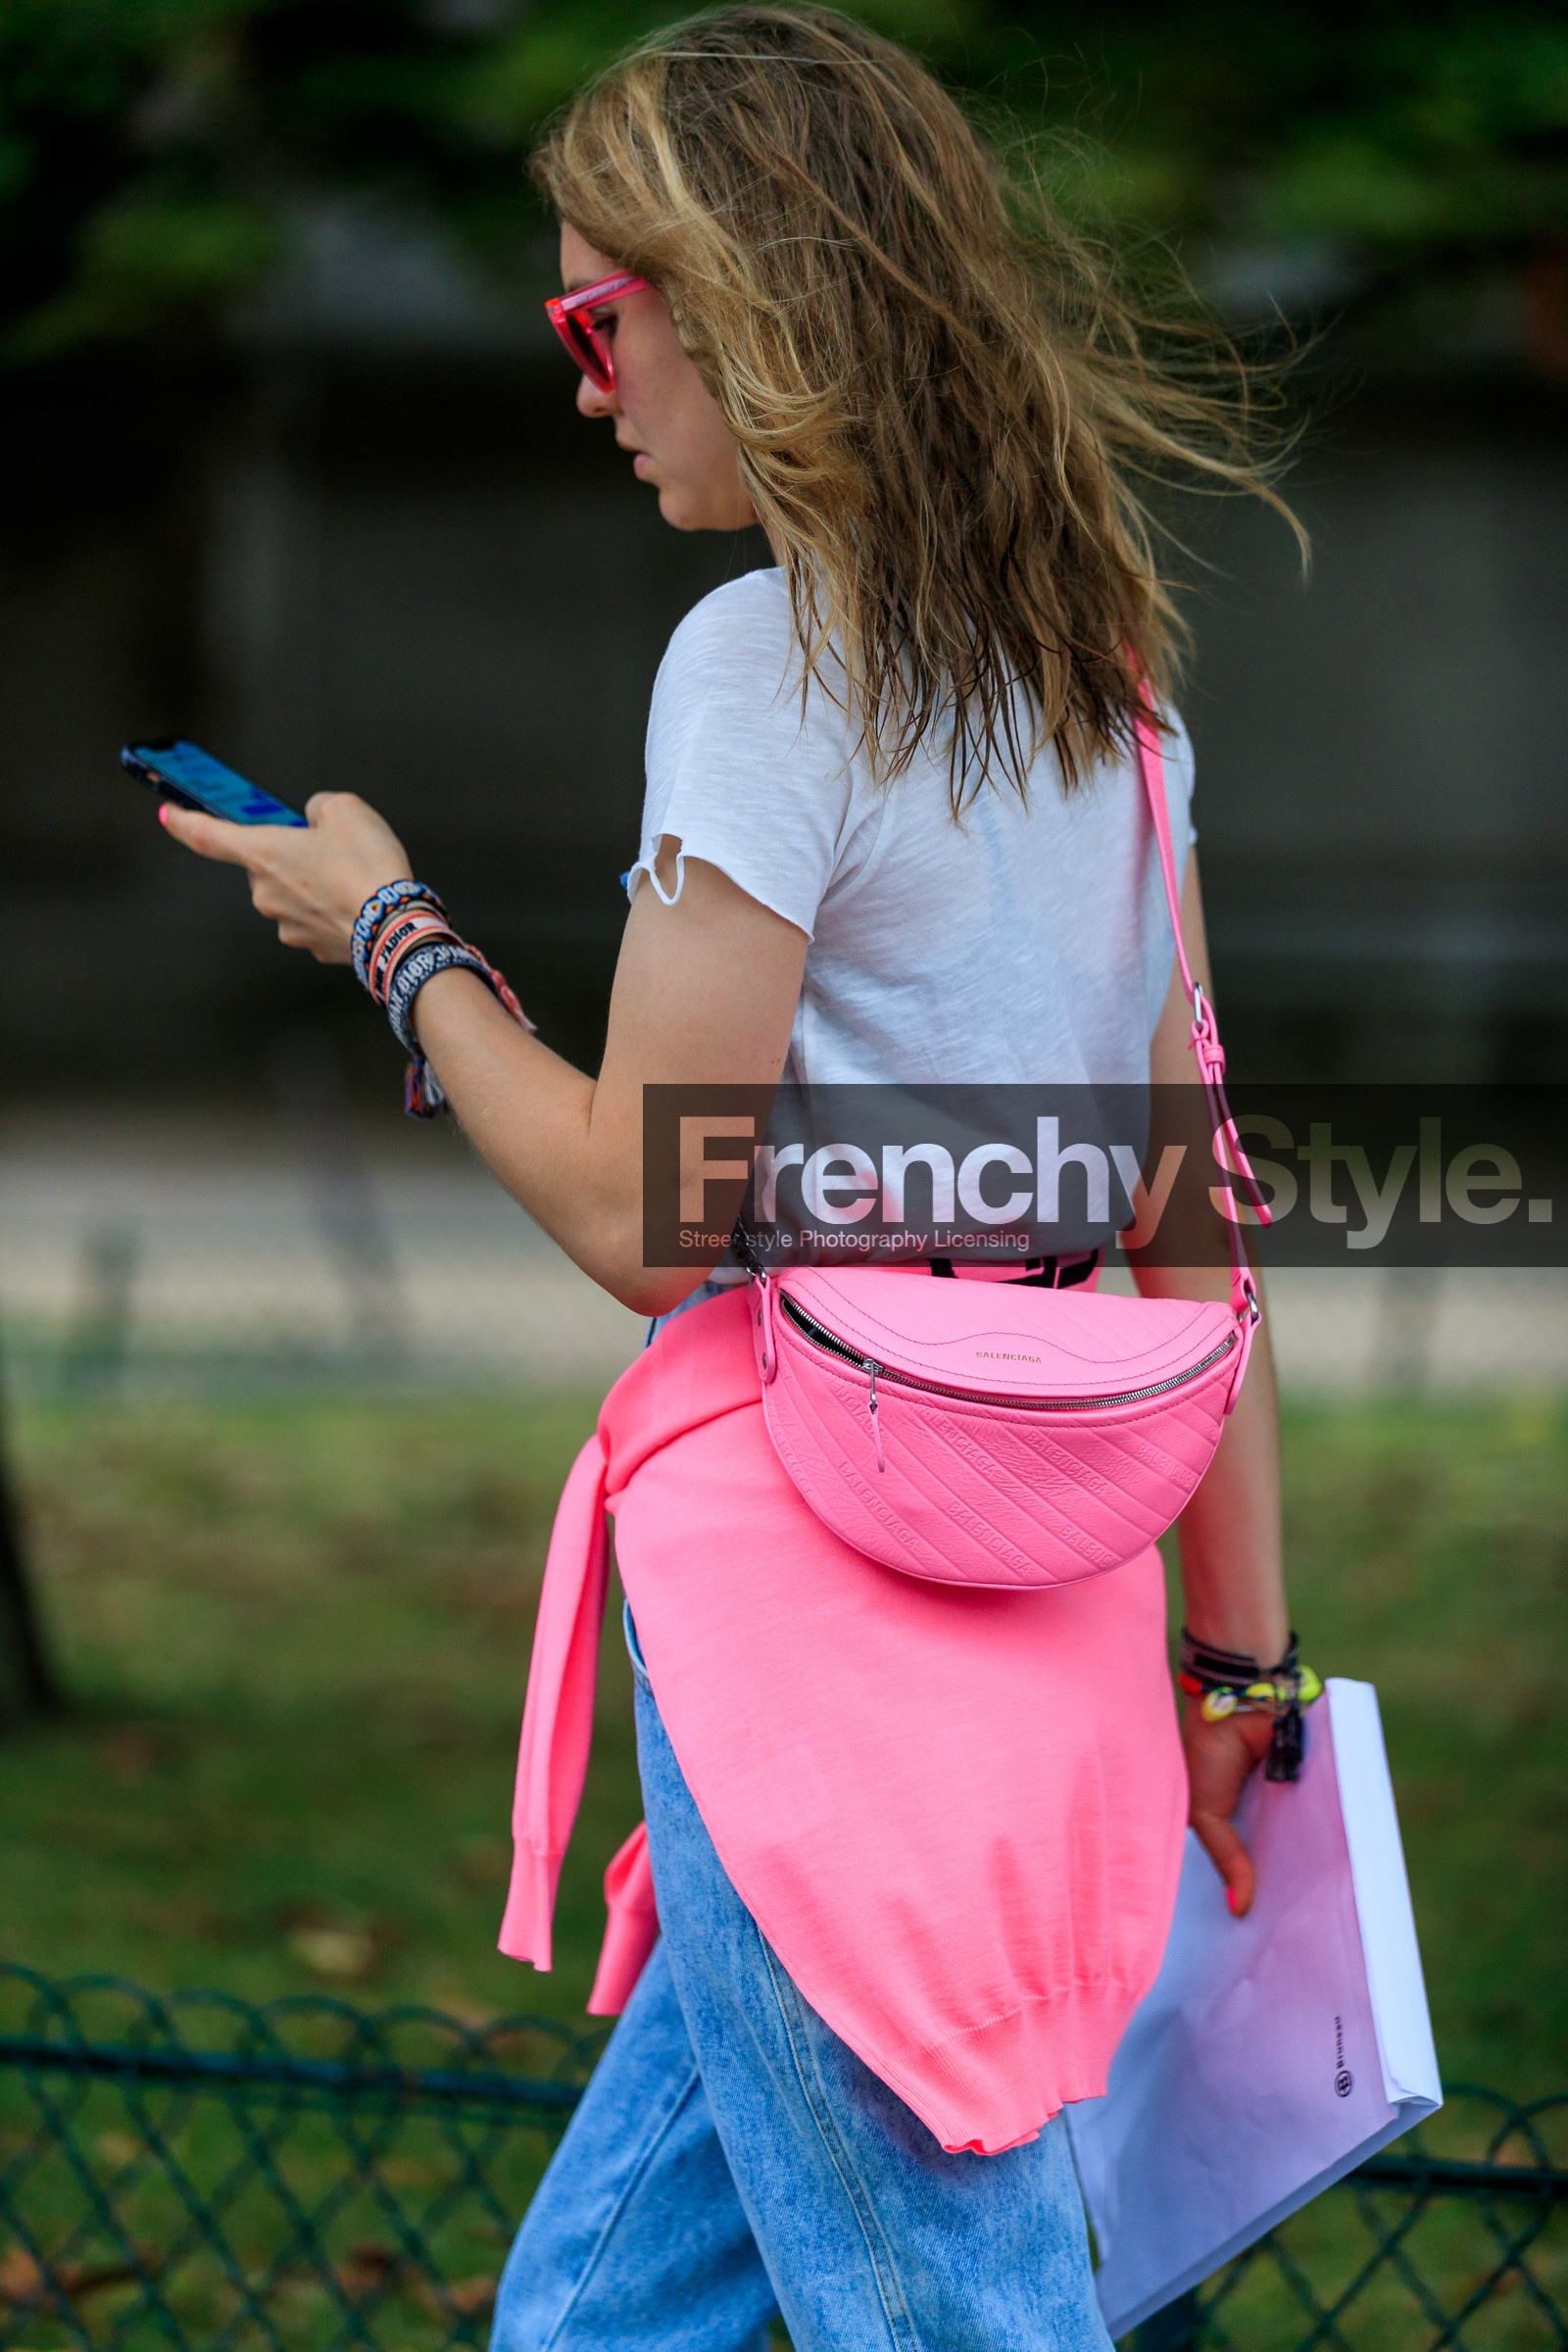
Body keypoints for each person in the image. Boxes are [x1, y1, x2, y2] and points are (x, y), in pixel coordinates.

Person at [161, 9, 1313, 2344]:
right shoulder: (1102, 683)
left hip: (818, 1570)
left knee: (939, 2308)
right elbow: (1192, 1216)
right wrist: (1238, 1656)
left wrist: (386, 938)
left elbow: (642, 1213)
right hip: (1064, 1566)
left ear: (751, 305)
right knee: (603, 2315)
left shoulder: (773, 665)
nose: (582, 379)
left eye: (599, 314)